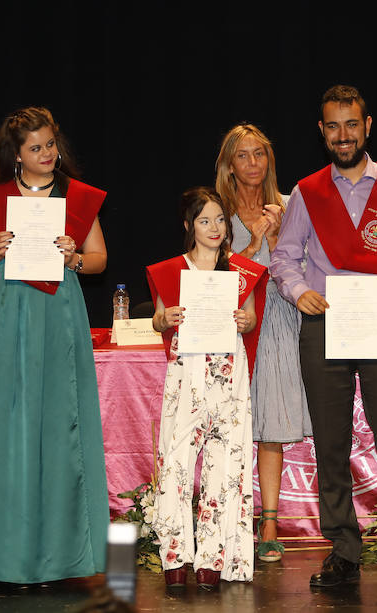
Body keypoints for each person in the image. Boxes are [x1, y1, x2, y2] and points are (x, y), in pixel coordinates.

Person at [270, 85, 377, 590]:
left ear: (368, 126)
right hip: (324, 325)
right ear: (321, 132)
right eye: (332, 126)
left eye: (351, 124)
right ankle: (343, 548)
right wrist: (298, 291)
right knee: (331, 444)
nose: (342, 135)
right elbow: (284, 258)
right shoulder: (306, 192)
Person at [0, 107, 109, 584]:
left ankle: (67, 554)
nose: (48, 154)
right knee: (14, 427)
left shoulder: (76, 196)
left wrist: (76, 257)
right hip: (13, 317)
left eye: (51, 144)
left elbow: (100, 259)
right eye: (37, 148)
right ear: (17, 156)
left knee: (62, 427)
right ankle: (10, 554)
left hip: (60, 315)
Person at [147, 187, 268, 590]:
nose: (214, 228)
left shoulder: (240, 272)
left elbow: (250, 320)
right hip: (186, 377)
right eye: (205, 220)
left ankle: (213, 560)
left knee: (224, 468)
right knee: (176, 467)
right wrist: (166, 318)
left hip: (228, 377)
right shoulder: (172, 271)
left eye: (220, 219)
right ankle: (175, 559)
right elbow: (159, 322)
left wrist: (243, 321)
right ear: (189, 226)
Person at [215, 124, 310, 562]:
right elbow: (208, 274)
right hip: (231, 322)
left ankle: (269, 521)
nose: (252, 163)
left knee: (270, 422)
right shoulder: (216, 210)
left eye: (259, 154)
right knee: (231, 423)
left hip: (279, 319)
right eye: (242, 156)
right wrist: (254, 244)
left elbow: (309, 271)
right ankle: (227, 517)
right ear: (228, 165)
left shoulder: (291, 206)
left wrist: (276, 240)